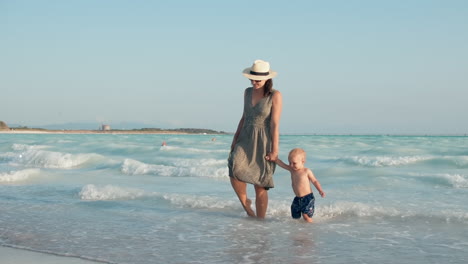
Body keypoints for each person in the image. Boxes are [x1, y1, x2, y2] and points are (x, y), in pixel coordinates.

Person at [228, 59, 282, 219]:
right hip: (245, 137)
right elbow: (244, 117)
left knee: (260, 184)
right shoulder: (247, 92)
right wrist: (234, 139)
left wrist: (275, 150)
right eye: (252, 79)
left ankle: (260, 222)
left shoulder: (275, 95)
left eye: (257, 80)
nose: (254, 82)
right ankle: (246, 204)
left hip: (263, 140)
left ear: (267, 78)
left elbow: (274, 123)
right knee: (234, 168)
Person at [272, 148, 325, 223]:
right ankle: (298, 230)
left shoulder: (306, 171)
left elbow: (315, 181)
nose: (291, 165)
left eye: (294, 163)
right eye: (290, 163)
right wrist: (275, 159)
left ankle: (311, 229)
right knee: (295, 216)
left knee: (306, 215)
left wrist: (320, 190)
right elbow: (282, 164)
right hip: (297, 198)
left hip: (308, 198)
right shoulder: (292, 170)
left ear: (302, 161)